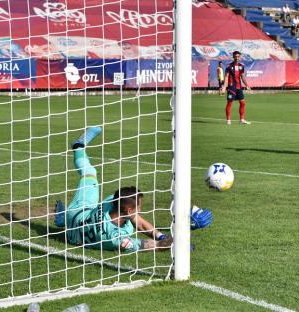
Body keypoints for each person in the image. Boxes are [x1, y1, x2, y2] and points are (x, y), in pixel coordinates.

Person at [54, 127, 213, 252]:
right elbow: (154, 246)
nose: (139, 210)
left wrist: (162, 236)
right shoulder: (116, 238)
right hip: (75, 228)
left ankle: (78, 147)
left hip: (77, 213)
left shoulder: (113, 202)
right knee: (92, 177)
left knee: (90, 173)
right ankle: (78, 146)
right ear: (129, 210)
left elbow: (138, 221)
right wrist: (184, 232)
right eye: (138, 207)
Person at [221, 51, 251, 125]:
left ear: (240, 57)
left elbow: (243, 77)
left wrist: (247, 85)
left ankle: (242, 120)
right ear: (233, 57)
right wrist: (224, 87)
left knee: (243, 103)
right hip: (231, 87)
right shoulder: (229, 66)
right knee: (230, 103)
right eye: (235, 56)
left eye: (238, 56)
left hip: (239, 87)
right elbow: (226, 77)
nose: (237, 58)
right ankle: (228, 120)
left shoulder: (241, 66)